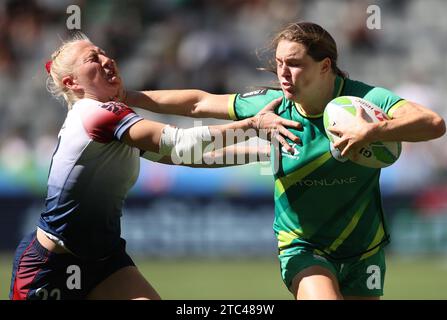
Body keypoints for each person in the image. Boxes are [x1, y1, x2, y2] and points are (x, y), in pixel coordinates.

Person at [124, 22, 446, 300]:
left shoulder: (364, 102)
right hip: (303, 247)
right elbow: (199, 103)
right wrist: (127, 97)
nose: (282, 73)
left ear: (325, 66)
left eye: (293, 63)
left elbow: (433, 123)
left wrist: (372, 130)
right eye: (279, 63)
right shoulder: (272, 106)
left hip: (365, 249)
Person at [9, 33, 301, 300]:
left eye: (103, 53)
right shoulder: (96, 115)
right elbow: (180, 143)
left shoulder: (116, 120)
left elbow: (186, 157)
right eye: (92, 59)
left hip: (104, 259)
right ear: (71, 83)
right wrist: (252, 124)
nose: (106, 60)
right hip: (50, 265)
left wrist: (264, 150)